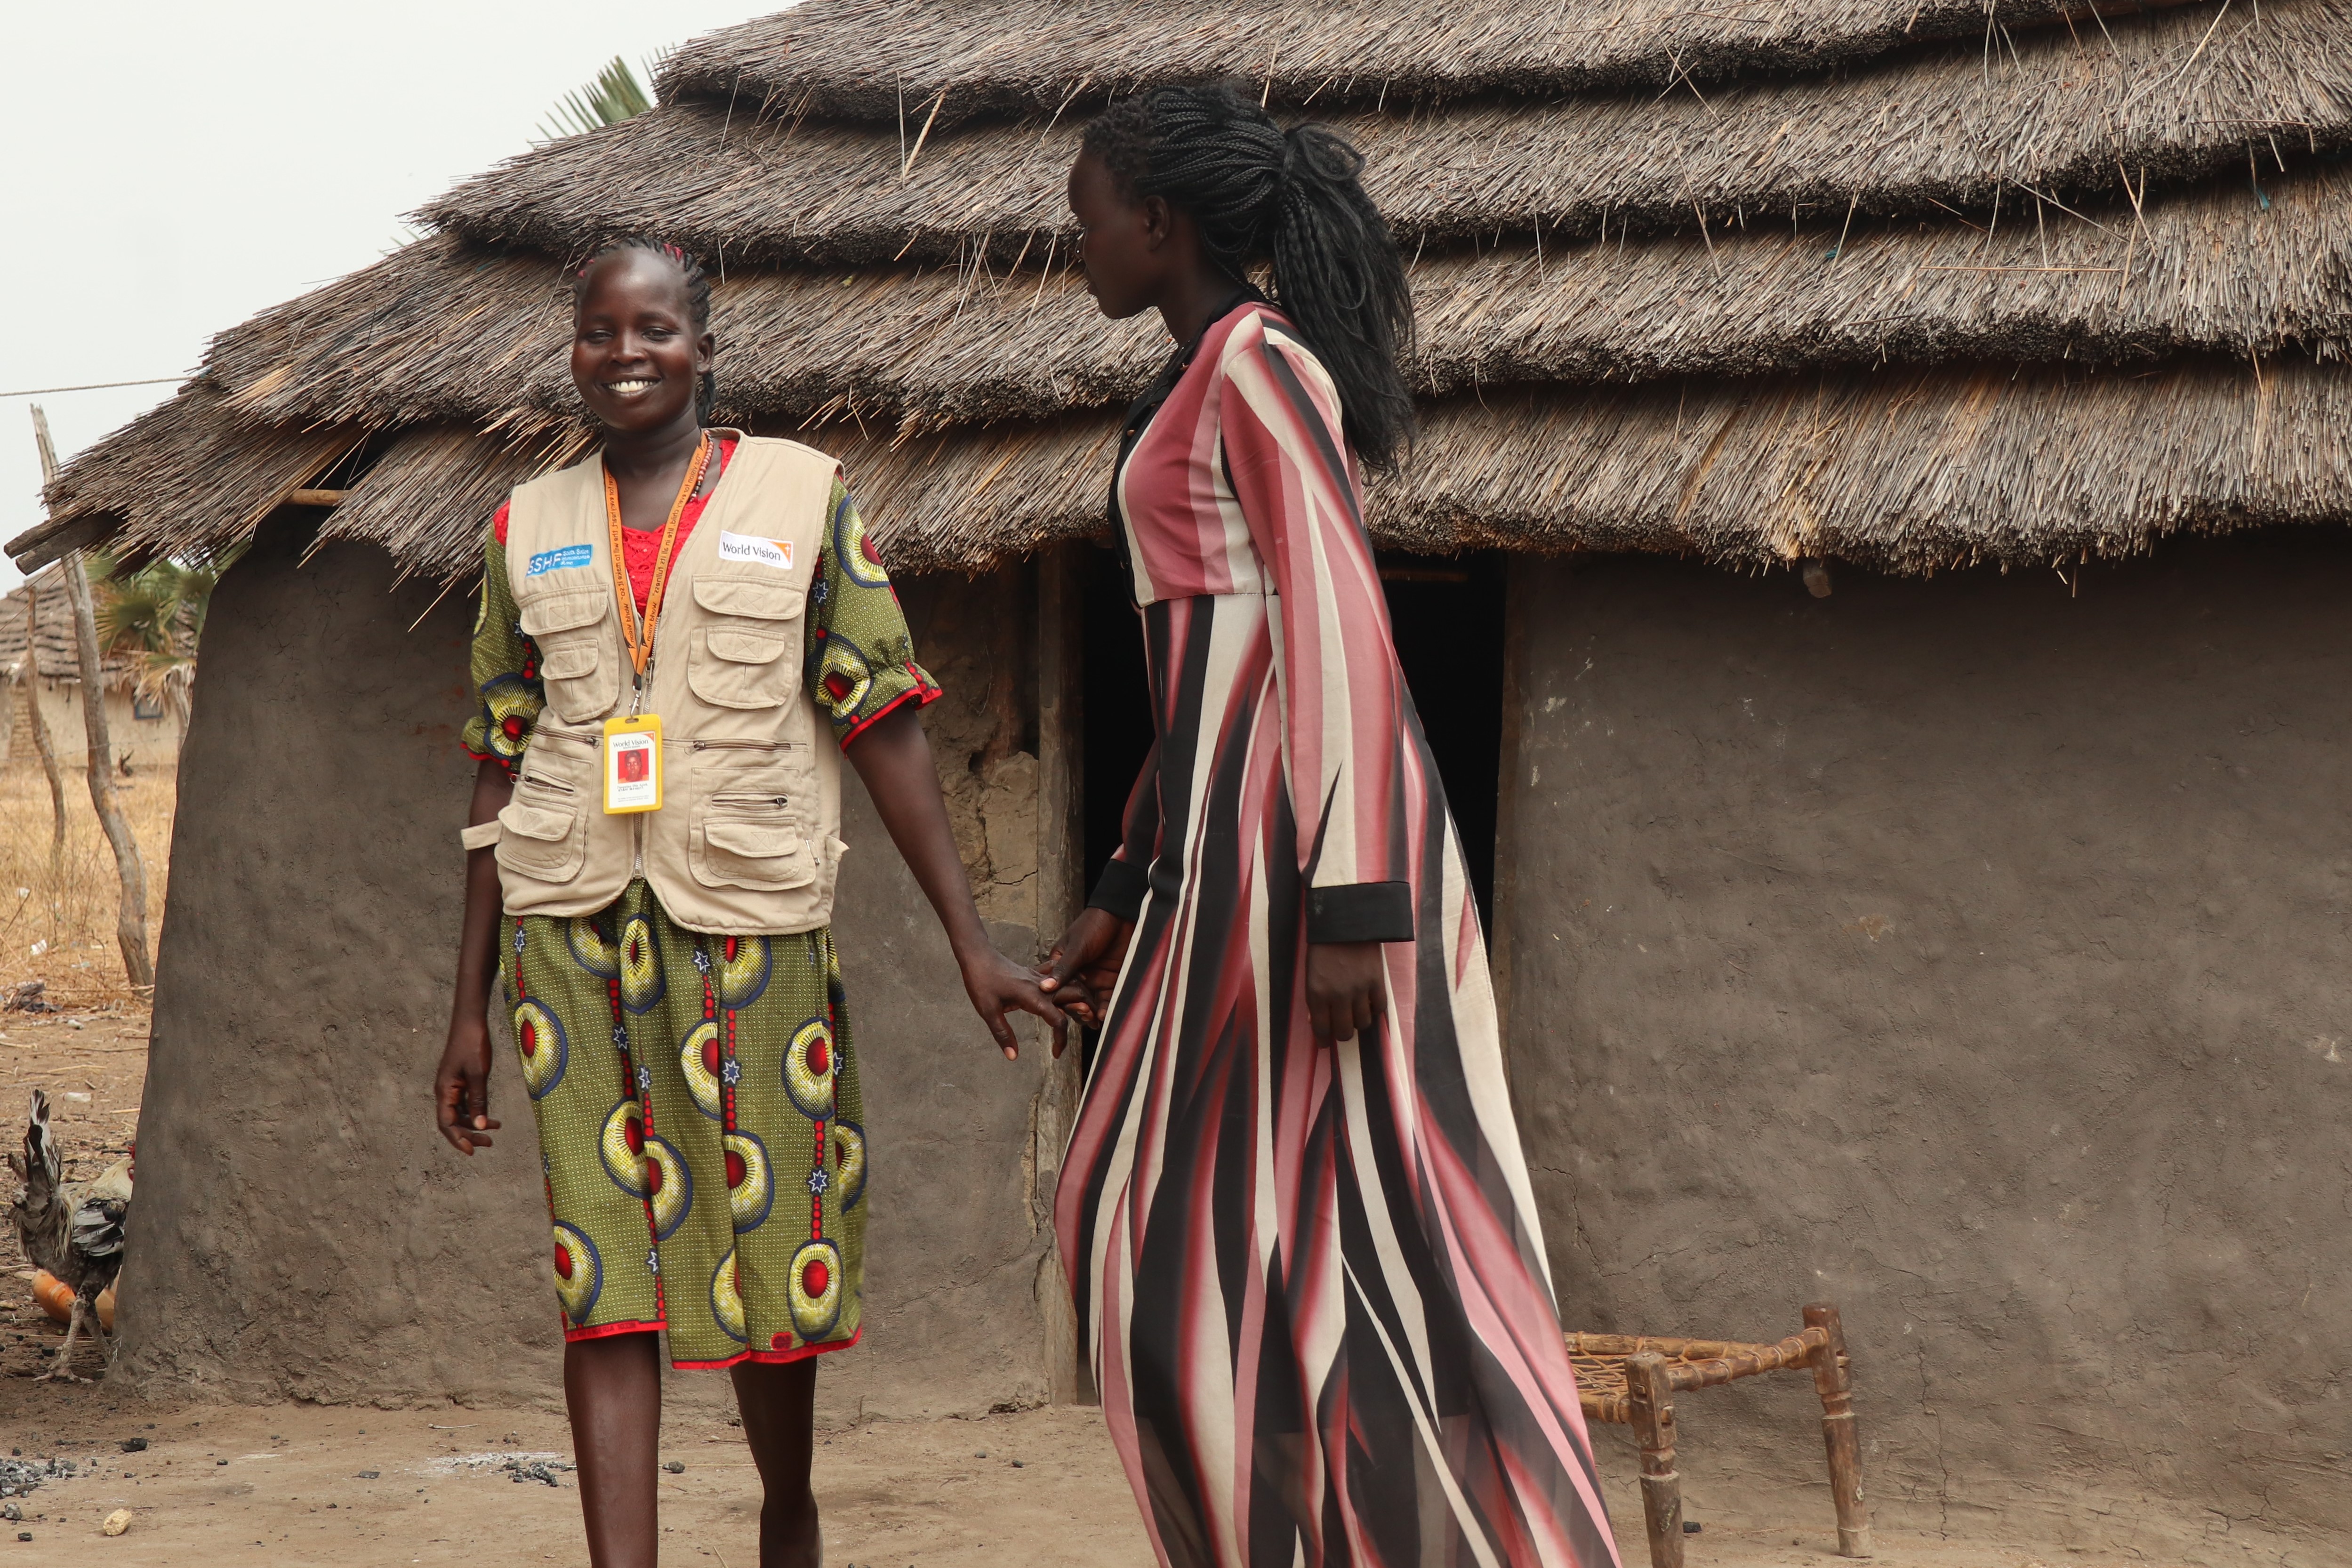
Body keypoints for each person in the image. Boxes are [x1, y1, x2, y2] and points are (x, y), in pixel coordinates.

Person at [1039, 85, 1621, 1567]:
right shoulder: (1190, 381)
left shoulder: (1258, 368)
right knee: (1169, 1236)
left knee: (1372, 1235)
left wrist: (1357, 899)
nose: (1078, 245)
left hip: (1311, 869)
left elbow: (1336, 618)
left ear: (1160, 224)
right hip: (1221, 867)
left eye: (1088, 216)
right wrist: (1127, 875)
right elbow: (1203, 675)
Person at [433, 237, 1061, 1568]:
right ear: (574, 349)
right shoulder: (524, 526)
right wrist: (467, 1008)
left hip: (748, 936)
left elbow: (884, 717)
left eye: (652, 328)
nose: (624, 353)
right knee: (601, 1274)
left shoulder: (804, 497)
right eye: (599, 331)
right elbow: (499, 755)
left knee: (772, 1254)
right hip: (569, 939)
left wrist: (969, 940)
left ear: (703, 347)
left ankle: (788, 1504)